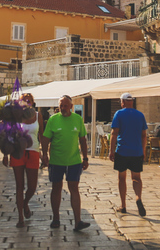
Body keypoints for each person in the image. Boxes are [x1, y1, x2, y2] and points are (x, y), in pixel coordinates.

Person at [40, 95, 90, 231]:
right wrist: (44, 155)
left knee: (74, 189)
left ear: (71, 106)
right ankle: (56, 218)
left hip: (74, 161)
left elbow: (83, 140)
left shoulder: (78, 119)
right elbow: (45, 139)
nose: (62, 108)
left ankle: (78, 221)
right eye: (61, 105)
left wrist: (85, 158)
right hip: (57, 161)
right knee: (56, 188)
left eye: (65, 105)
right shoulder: (53, 120)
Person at [2, 93, 44, 228]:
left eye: (29, 100)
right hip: (17, 152)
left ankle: (25, 203)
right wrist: (5, 154)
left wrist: (45, 153)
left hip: (33, 151)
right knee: (19, 186)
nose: (27, 102)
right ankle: (20, 217)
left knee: (32, 187)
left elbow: (41, 135)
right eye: (24, 100)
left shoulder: (38, 116)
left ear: (33, 102)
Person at [109, 92, 148, 216]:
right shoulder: (140, 115)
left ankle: (123, 205)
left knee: (122, 178)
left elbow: (114, 133)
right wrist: (143, 150)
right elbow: (144, 135)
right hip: (136, 151)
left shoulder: (119, 114)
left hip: (122, 150)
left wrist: (111, 150)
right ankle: (138, 197)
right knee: (136, 178)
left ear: (123, 102)